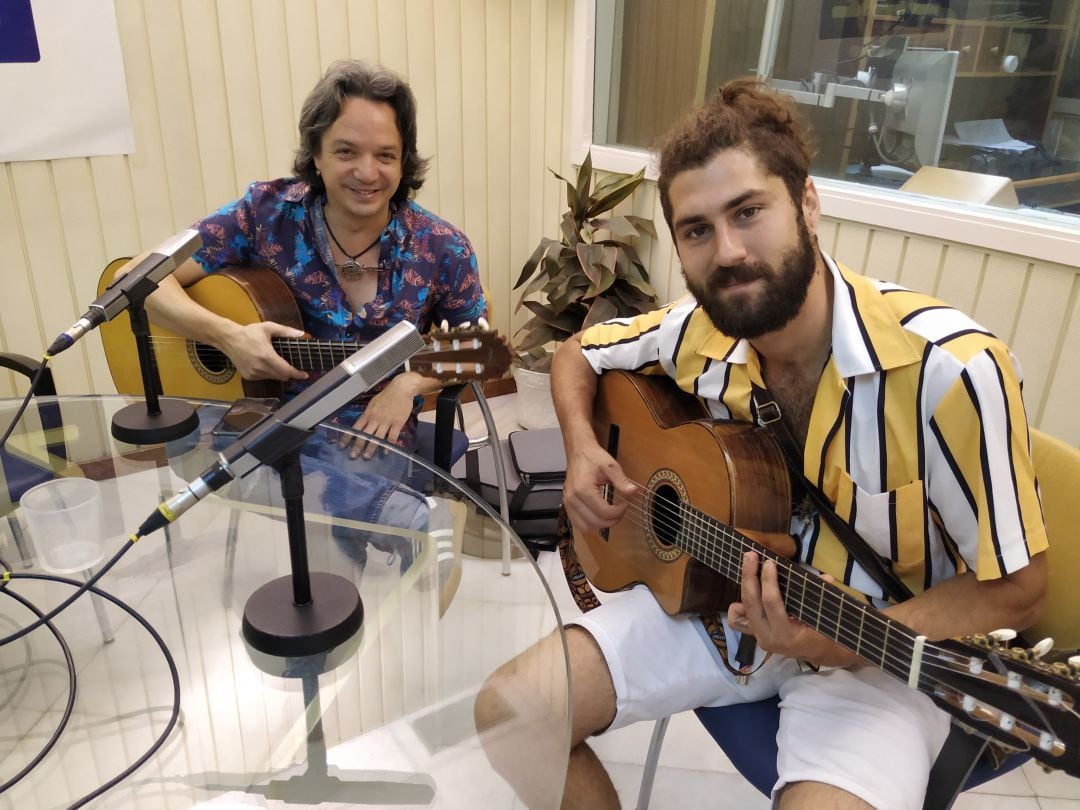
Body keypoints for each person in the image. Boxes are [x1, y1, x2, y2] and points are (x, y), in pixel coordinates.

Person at [475, 79, 1048, 810]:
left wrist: (852, 639)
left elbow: (1022, 587)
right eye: (697, 229)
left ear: (807, 202)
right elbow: (576, 355)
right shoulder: (697, 331)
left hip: (875, 659)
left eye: (749, 212)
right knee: (508, 712)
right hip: (716, 605)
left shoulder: (953, 371)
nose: (730, 251)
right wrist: (584, 448)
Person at [133, 59, 486, 570]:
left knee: (325, 530)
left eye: (385, 155)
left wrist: (406, 387)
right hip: (255, 408)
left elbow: (480, 347)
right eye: (346, 151)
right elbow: (145, 279)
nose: (368, 173)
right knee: (184, 440)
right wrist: (226, 336)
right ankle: (398, 516)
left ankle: (339, 598)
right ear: (315, 154)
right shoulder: (264, 213)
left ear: (404, 161)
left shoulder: (442, 246)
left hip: (363, 423)